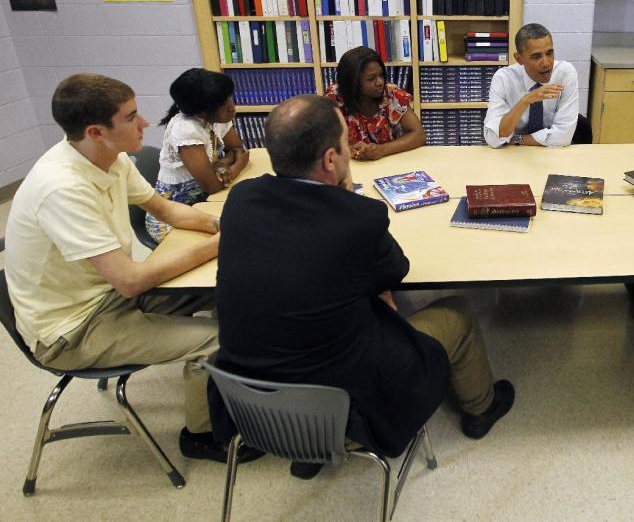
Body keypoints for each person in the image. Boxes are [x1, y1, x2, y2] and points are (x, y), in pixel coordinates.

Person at [211, 95, 514, 478]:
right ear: (330, 159)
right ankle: (480, 409)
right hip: (345, 407)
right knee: (458, 313)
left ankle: (308, 452)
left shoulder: (240, 200)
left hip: (251, 408)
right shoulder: (358, 218)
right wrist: (345, 191)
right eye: (343, 143)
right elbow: (395, 270)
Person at [3, 74, 256, 463]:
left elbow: (166, 209)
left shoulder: (109, 158)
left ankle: (230, 397)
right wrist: (215, 247)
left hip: (105, 295)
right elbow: (129, 280)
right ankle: (202, 437)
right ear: (96, 131)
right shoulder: (62, 188)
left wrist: (222, 225)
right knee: (219, 339)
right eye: (131, 117)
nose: (144, 125)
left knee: (228, 294)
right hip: (73, 330)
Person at [145, 68, 249, 243]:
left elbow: (238, 149)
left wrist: (222, 164)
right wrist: (236, 166)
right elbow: (213, 186)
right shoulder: (186, 130)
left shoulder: (215, 118)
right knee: (235, 241)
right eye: (223, 103)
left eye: (229, 97)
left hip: (204, 204)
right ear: (201, 111)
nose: (231, 106)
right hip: (172, 216)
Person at [484, 23, 580, 147]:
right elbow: (493, 138)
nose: (546, 63)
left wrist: (516, 139)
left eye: (550, 53)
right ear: (519, 59)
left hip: (550, 153)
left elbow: (563, 137)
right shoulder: (503, 79)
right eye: (536, 56)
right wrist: (525, 101)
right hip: (513, 155)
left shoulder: (565, 73)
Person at [324, 46, 425, 160]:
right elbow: (321, 139)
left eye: (381, 75)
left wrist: (382, 150)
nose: (380, 82)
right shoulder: (334, 97)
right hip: (352, 167)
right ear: (352, 82)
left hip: (392, 163)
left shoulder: (392, 94)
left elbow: (419, 135)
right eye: (371, 78)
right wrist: (348, 148)